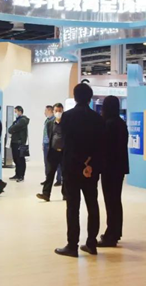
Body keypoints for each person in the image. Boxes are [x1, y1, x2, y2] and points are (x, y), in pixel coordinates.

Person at [55, 83, 104, 258]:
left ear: (75, 97)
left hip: (72, 167)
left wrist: (79, 159)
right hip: (91, 168)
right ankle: (91, 243)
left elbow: (66, 142)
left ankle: (72, 245)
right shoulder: (97, 118)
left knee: (73, 207)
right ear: (90, 98)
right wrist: (89, 162)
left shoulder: (67, 116)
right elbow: (100, 145)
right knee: (92, 204)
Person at [98, 96, 130, 247]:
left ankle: (111, 234)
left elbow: (105, 147)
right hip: (119, 167)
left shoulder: (108, 124)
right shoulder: (121, 123)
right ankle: (115, 232)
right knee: (115, 200)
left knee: (110, 201)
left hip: (109, 168)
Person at [37, 103, 66, 202]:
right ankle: (46, 194)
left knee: (65, 174)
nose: (58, 112)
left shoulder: (67, 123)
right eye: (56, 111)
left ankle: (66, 194)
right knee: (50, 173)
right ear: (53, 111)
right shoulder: (49, 124)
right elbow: (48, 136)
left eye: (60, 110)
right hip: (53, 151)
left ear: (62, 111)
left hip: (64, 152)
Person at [8, 106, 30, 182]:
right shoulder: (16, 121)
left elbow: (13, 128)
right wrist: (12, 129)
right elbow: (10, 129)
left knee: (20, 160)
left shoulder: (23, 120)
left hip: (19, 143)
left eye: (16, 111)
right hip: (14, 142)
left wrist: (12, 129)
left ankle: (21, 175)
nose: (15, 113)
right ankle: (17, 174)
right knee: (16, 159)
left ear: (20, 112)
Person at [41, 105, 61, 186]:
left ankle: (59, 179)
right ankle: (47, 179)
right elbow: (45, 133)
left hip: (53, 145)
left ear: (50, 111)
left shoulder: (55, 121)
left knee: (57, 163)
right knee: (47, 162)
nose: (45, 113)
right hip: (46, 144)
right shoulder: (47, 121)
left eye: (46, 111)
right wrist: (43, 143)